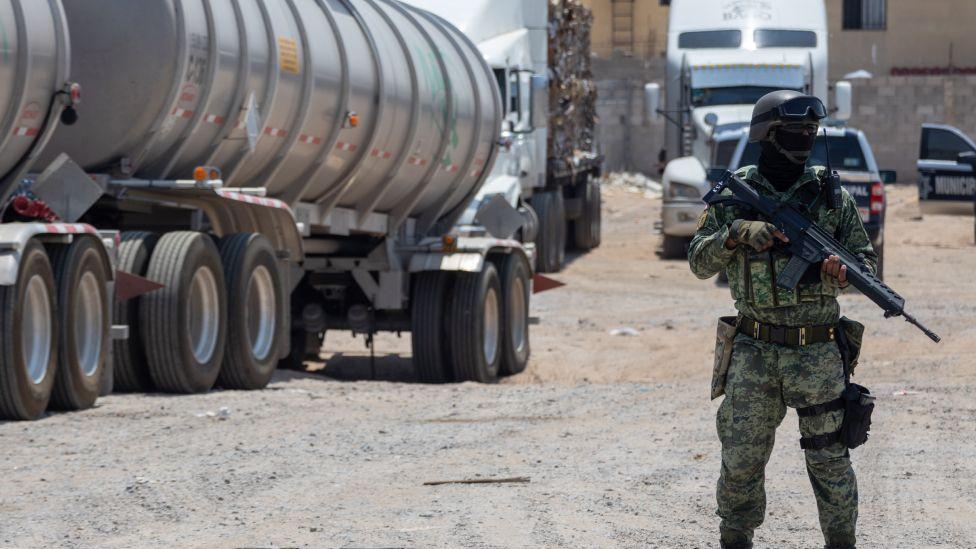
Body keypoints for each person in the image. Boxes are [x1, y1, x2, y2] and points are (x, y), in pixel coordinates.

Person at [688, 90, 877, 549]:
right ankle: (735, 538)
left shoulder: (831, 196)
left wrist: (839, 273)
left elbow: (866, 266)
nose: (806, 140)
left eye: (812, 133)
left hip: (817, 351)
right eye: (796, 132)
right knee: (742, 459)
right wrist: (734, 235)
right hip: (753, 349)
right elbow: (698, 261)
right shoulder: (736, 194)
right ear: (767, 135)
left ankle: (841, 541)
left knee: (830, 460)